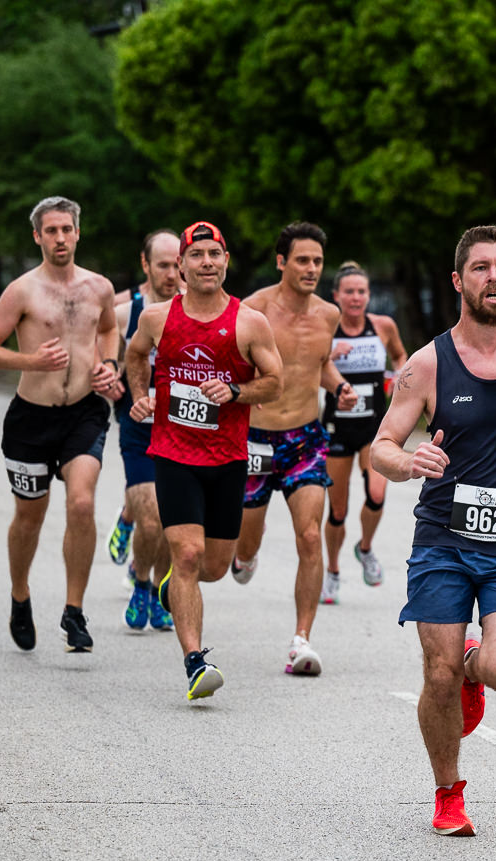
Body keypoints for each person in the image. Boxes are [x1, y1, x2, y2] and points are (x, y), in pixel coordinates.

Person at [370, 224, 496, 837]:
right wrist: (409, 463)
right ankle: (448, 793)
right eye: (481, 268)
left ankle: (472, 665)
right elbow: (382, 445)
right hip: (443, 540)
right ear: (459, 281)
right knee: (436, 673)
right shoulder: (427, 364)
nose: (494, 278)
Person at [125, 220, 282, 699]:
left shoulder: (248, 321)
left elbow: (275, 381)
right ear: (182, 266)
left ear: (226, 261)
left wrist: (235, 390)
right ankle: (195, 662)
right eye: (196, 256)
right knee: (188, 553)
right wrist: (140, 395)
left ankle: (174, 581)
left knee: (213, 566)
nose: (206, 262)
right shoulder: (156, 318)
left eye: (214, 254)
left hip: (227, 457)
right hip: (173, 452)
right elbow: (135, 355)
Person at [0, 196, 123, 653]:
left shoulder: (99, 287)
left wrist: (110, 364)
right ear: (37, 236)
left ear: (78, 233)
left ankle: (73, 612)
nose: (60, 238)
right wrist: (31, 360)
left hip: (84, 411)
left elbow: (109, 329)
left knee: (81, 504)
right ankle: (21, 595)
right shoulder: (21, 291)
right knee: (29, 518)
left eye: (67, 229)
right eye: (51, 230)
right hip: (30, 419)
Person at [232, 221, 358, 676]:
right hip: (255, 439)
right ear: (281, 261)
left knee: (310, 535)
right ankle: (244, 554)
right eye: (302, 260)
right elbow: (232, 370)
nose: (311, 269)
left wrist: (339, 385)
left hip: (305, 438)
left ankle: (301, 640)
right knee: (246, 541)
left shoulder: (328, 314)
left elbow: (317, 365)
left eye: (317, 262)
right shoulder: (253, 311)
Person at [319, 261, 408, 605]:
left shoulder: (383, 326)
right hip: (337, 427)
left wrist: (401, 371)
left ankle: (366, 548)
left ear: (369, 296)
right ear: (336, 296)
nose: (356, 298)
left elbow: (400, 354)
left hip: (375, 427)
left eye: (362, 292)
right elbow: (305, 366)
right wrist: (327, 355)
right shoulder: (325, 328)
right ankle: (332, 571)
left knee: (376, 494)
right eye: (349, 292)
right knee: (337, 511)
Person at [111, 228, 181, 633]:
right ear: (145, 265)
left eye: (177, 265)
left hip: (185, 431)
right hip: (139, 429)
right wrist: (106, 376)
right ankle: (141, 583)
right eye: (163, 265)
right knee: (151, 521)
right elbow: (98, 356)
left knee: (175, 525)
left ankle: (159, 590)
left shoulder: (198, 313)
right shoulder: (126, 313)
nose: (172, 274)